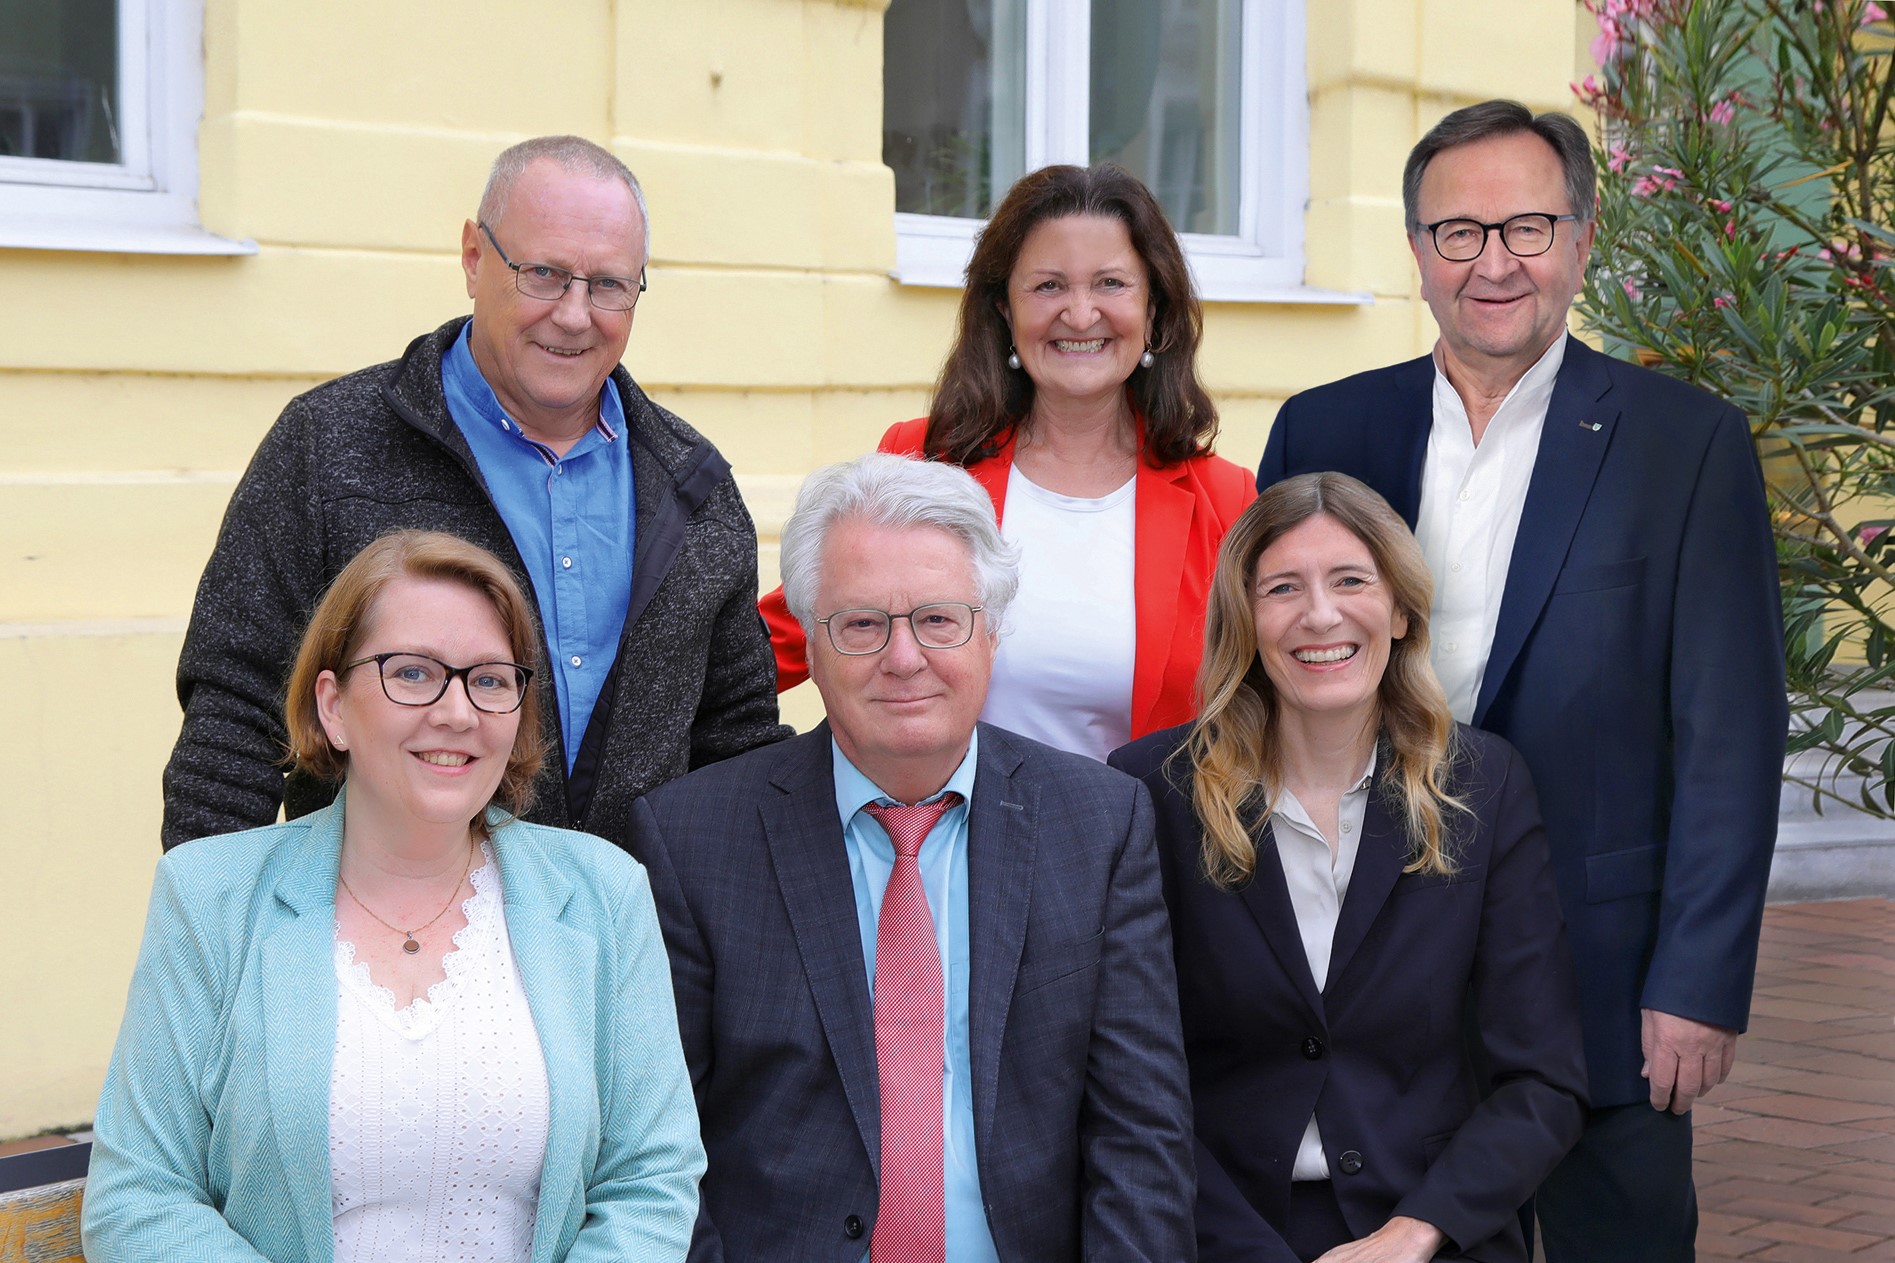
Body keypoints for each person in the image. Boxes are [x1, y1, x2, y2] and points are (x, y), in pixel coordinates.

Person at [1257, 100, 1786, 1260]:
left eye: (1526, 228)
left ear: (1582, 240)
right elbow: (1262, 684)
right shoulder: (1322, 430)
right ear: (1415, 250)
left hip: (1602, 979)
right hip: (1368, 973)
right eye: (1457, 232)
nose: (1491, 263)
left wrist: (1697, 981)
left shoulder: (1683, 444)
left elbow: (1728, 736)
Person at [630, 453, 1195, 1261]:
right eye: (862, 624)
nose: (903, 657)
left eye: (938, 619)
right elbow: (654, 1153)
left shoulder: (1098, 823)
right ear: (810, 643)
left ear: (991, 632)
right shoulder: (693, 837)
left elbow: (1141, 1133)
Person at [86, 530, 703, 1262]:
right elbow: (137, 1198)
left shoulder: (603, 893)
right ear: (333, 706)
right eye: (412, 672)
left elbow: (650, 1181)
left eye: (490, 680)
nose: (458, 712)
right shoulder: (209, 897)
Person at [162, 134, 788, 852]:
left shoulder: (694, 486)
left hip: (631, 920)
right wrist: (210, 910)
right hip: (372, 915)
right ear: (472, 257)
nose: (574, 314)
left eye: (608, 285)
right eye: (544, 274)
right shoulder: (327, 448)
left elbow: (735, 746)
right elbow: (236, 718)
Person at [1111, 473, 1587, 1263]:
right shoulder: (1150, 789)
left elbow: (1544, 1081)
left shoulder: (1483, 784)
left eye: (1350, 581)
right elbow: (1129, 1086)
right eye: (1282, 588)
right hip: (1216, 1229)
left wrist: (1412, 1233)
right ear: (1244, 618)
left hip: (1428, 1225)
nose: (1320, 614)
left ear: (1399, 610)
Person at [761, 162, 1254, 761]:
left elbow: (1269, 702)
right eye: (1048, 286)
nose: (1080, 314)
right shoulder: (923, 458)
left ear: (1154, 309)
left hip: (1134, 823)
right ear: (1003, 310)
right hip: (938, 818)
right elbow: (792, 635)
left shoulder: (1225, 499)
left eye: (1110, 284)